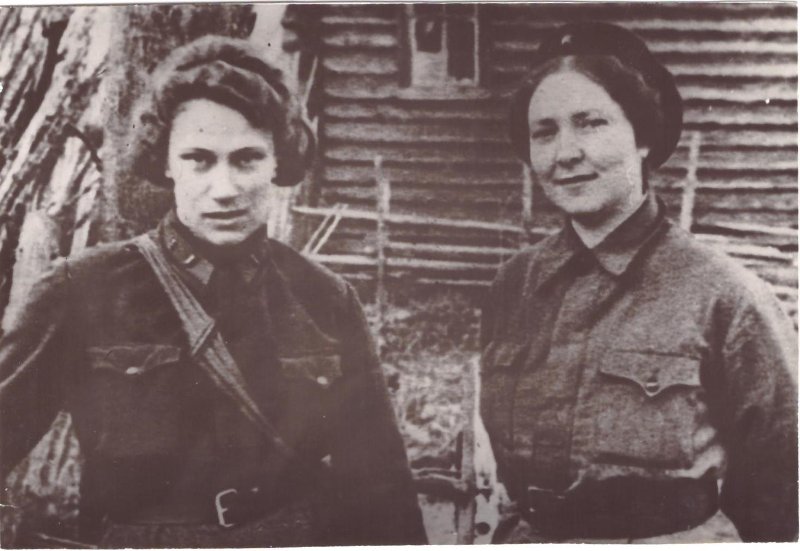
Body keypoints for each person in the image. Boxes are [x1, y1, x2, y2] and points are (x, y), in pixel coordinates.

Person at [0, 36, 426, 547]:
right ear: (166, 163)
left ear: (277, 163)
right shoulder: (81, 289)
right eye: (199, 159)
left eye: (247, 159)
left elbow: (382, 490)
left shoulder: (325, 299)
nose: (224, 189)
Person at [480, 21, 797, 543]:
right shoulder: (513, 285)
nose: (565, 153)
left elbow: (782, 495)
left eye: (591, 123)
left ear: (644, 136)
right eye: (545, 132)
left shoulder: (725, 296)